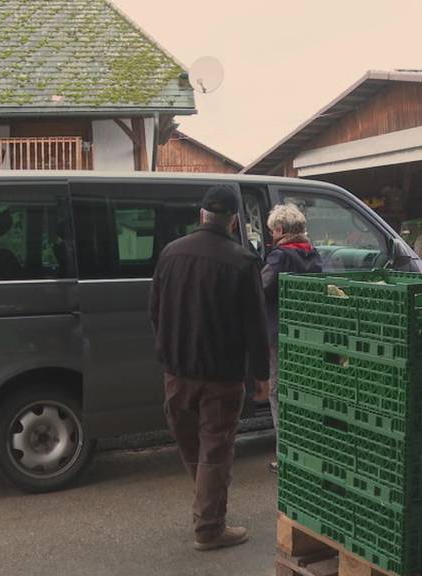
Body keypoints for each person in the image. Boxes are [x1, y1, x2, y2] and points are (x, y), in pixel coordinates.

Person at [149, 185, 271, 551]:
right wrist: (261, 377)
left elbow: (155, 311)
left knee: (193, 448)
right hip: (221, 377)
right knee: (215, 451)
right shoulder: (242, 261)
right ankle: (209, 527)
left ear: (202, 215)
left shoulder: (170, 253)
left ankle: (206, 505)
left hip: (176, 374)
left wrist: (167, 353)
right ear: (234, 220)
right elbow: (255, 326)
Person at [260, 204, 323, 473]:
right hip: (309, 331)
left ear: (281, 230)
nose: (271, 234)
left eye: (273, 229)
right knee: (304, 389)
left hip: (281, 333)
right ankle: (310, 448)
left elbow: (261, 286)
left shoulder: (279, 257)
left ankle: (285, 454)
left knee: (278, 391)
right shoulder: (313, 254)